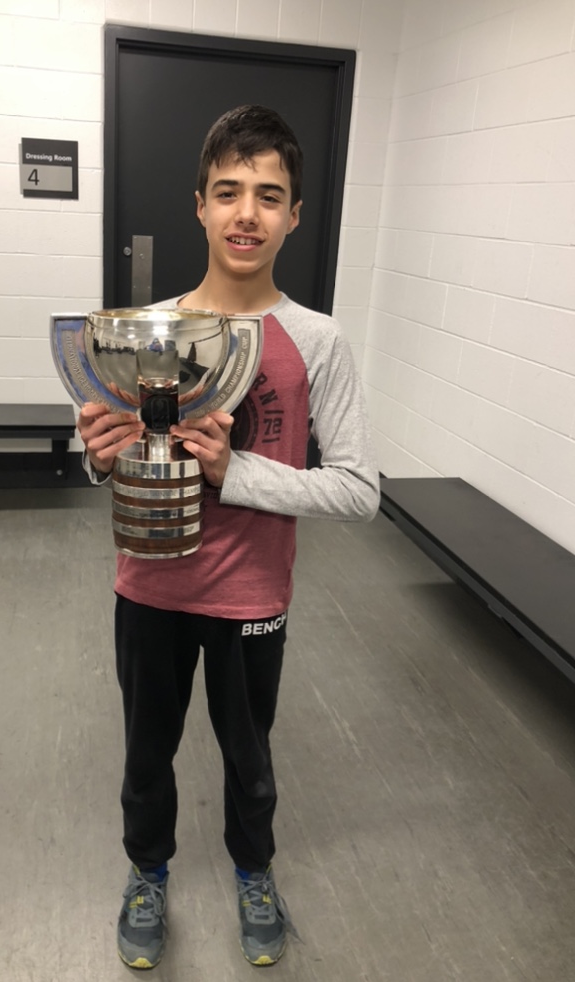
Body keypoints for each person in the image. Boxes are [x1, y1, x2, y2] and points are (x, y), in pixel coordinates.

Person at [76, 105, 379, 969]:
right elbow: (105, 452)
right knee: (146, 750)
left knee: (250, 756)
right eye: (229, 192)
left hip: (253, 595)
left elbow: (360, 491)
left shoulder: (319, 340)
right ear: (201, 206)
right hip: (150, 588)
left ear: (293, 217)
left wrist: (233, 472)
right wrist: (96, 458)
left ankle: (254, 870)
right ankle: (148, 871)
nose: (248, 212)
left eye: (269, 195)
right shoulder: (143, 331)